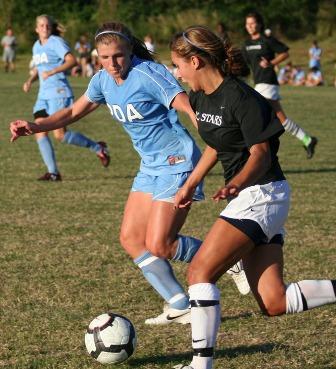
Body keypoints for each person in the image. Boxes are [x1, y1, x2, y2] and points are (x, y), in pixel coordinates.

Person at [10, 21, 209, 325]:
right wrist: (35, 126)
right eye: (104, 58)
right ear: (97, 57)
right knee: (131, 239)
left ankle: (227, 257)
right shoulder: (102, 81)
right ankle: (180, 303)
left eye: (118, 56)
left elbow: (185, 105)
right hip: (149, 166)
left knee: (161, 244)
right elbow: (73, 112)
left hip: (177, 160)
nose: (112, 64)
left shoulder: (147, 74)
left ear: (129, 50)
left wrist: (216, 140)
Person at [170, 25, 336, 369]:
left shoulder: (244, 99)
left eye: (178, 65)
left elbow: (260, 154)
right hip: (252, 197)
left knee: (199, 273)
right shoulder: (200, 98)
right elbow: (215, 145)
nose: (177, 73)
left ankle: (201, 366)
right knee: (274, 302)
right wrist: (190, 184)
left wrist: (235, 184)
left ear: (196, 61)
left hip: (263, 193)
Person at [22, 14, 110, 181]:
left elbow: (72, 61)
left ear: (51, 27)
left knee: (60, 135)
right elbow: (40, 69)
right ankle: (53, 172)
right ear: (36, 29)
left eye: (47, 25)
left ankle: (97, 147)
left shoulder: (56, 42)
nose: (44, 28)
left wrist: (54, 71)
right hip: (43, 96)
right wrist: (29, 80)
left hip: (59, 92)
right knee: (38, 131)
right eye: (41, 25)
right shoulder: (36, 46)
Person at [242, 12, 318, 159]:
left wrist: (271, 63)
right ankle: (307, 139)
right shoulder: (246, 44)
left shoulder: (266, 40)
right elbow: (244, 64)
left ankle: (257, 151)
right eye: (247, 24)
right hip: (258, 83)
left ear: (259, 24)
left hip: (268, 82)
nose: (250, 26)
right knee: (278, 118)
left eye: (252, 23)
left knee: (255, 115)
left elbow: (284, 52)